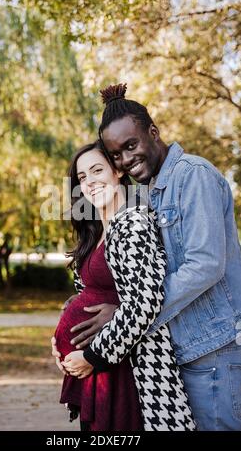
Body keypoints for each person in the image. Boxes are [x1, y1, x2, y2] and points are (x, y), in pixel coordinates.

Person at [52, 83, 241, 431]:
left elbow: (205, 265)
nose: (126, 159)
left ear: (153, 132)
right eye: (116, 155)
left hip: (216, 350)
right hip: (185, 349)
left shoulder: (192, 175)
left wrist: (128, 312)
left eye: (131, 145)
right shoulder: (151, 193)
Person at [54, 141, 195, 431]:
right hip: (97, 370)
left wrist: (92, 355)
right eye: (82, 177)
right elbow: (90, 295)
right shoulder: (97, 230)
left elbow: (144, 303)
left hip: (130, 369)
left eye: (97, 170)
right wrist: (61, 340)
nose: (90, 181)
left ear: (117, 171)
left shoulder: (134, 223)